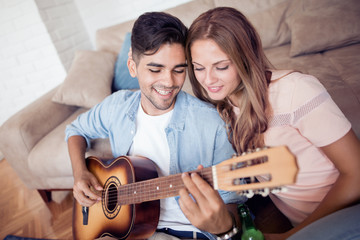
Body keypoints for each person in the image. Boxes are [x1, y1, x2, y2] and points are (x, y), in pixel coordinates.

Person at [65, 11, 245, 240]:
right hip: (130, 227)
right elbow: (75, 130)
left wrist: (223, 225)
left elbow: (234, 208)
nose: (169, 82)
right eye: (155, 69)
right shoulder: (117, 106)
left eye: (179, 70)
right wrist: (80, 173)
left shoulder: (214, 126)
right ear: (132, 66)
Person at [184, 7, 360, 240]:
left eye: (221, 66)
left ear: (244, 58)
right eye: (198, 68)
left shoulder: (297, 91)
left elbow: (356, 174)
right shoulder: (221, 107)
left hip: (345, 215)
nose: (208, 80)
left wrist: (293, 234)